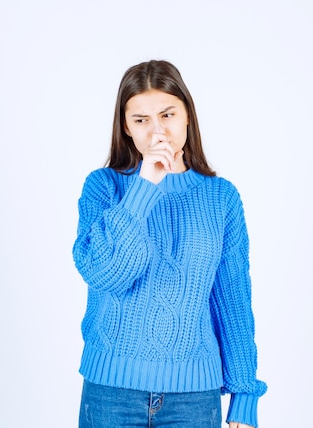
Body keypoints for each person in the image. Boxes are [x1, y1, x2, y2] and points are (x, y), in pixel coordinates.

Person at [72, 59, 267, 428]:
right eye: (141, 120)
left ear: (187, 116)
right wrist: (144, 186)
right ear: (126, 127)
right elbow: (106, 273)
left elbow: (233, 300)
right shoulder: (103, 188)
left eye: (167, 114)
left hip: (194, 399)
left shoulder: (220, 198)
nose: (157, 130)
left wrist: (244, 396)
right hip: (111, 391)